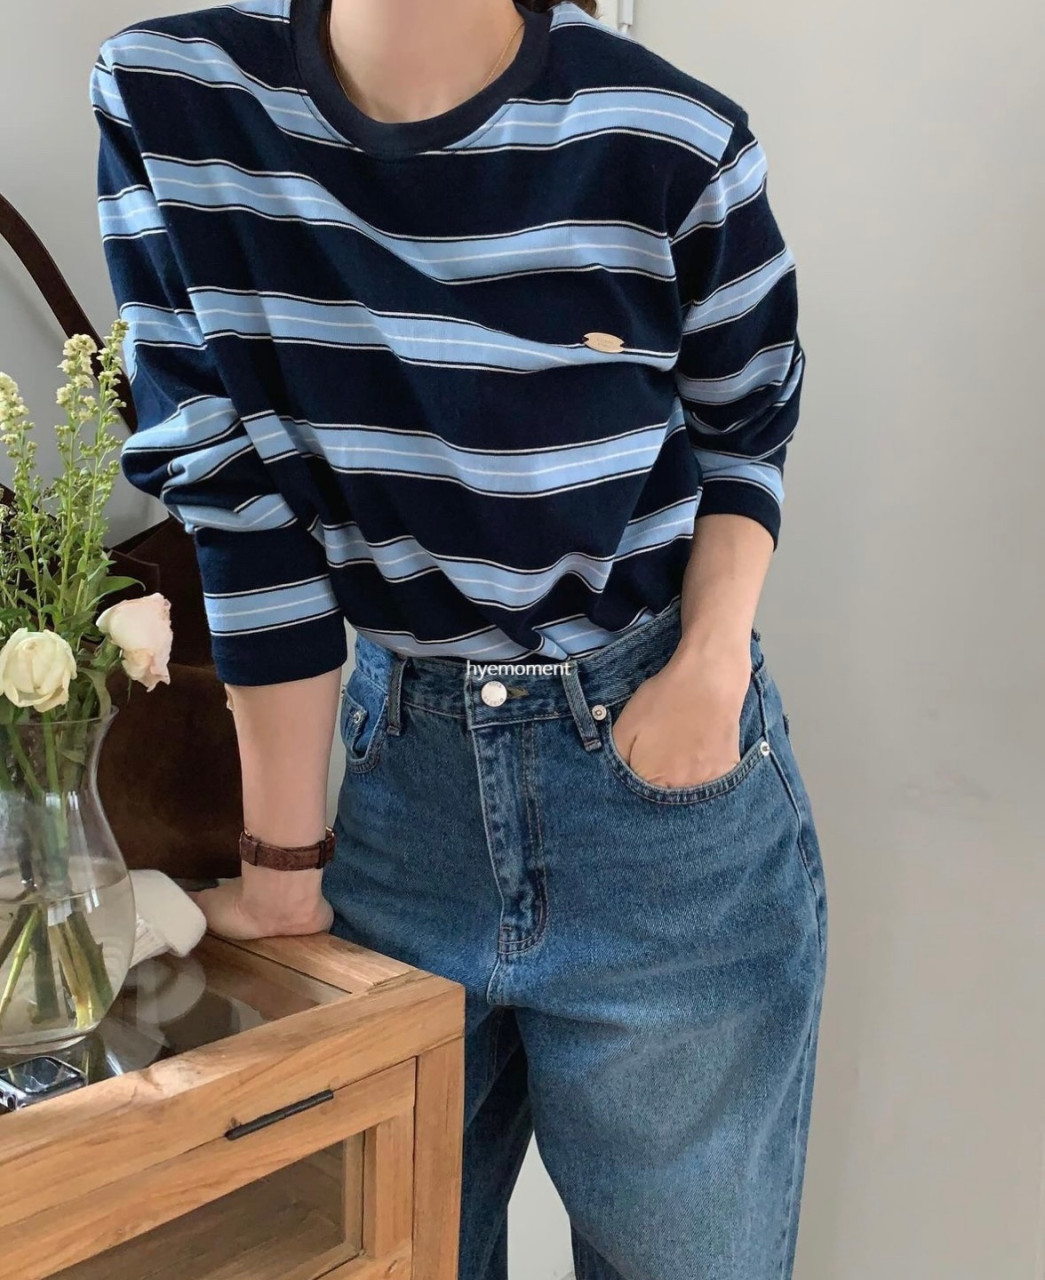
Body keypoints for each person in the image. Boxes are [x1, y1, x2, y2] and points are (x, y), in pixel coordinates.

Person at [90, 1, 828, 1276]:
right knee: (382, 1251)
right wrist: (284, 863)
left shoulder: (666, 134)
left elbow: (744, 428)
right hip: (400, 783)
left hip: (658, 795)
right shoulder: (173, 98)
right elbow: (236, 504)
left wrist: (708, 669)